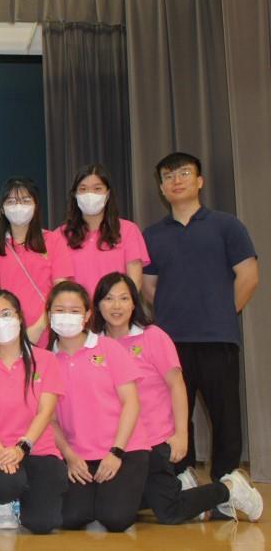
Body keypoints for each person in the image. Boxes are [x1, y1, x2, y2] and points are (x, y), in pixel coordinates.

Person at [93, 273, 263, 523]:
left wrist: (181, 434)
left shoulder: (153, 337)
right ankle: (182, 488)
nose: (116, 306)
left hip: (153, 441)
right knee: (115, 504)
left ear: (134, 303)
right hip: (116, 444)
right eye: (108, 299)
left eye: (124, 298)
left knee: (168, 511)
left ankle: (230, 488)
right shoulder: (94, 345)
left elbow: (177, 386)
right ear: (97, 305)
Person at [141, 152, 259, 482]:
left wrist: (220, 312)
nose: (176, 181)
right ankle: (184, 478)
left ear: (199, 181)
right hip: (171, 343)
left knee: (225, 415)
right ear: (161, 188)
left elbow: (248, 277)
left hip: (217, 338)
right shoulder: (152, 235)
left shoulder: (227, 225)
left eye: (183, 173)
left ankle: (226, 483)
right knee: (175, 415)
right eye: (168, 176)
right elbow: (149, 287)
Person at [47, 281, 149, 532]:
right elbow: (49, 419)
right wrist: (69, 456)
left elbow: (131, 403)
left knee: (115, 519)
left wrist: (116, 453)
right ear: (49, 314)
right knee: (70, 519)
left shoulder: (109, 348)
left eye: (74, 311)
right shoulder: (46, 360)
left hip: (123, 449)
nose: (66, 316)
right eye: (59, 310)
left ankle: (144, 492)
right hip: (78, 456)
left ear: (87, 315)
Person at [0, 289, 67, 533]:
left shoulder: (46, 360)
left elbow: (45, 412)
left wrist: (22, 447)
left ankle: (24, 499)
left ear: (19, 316)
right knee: (7, 484)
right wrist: (1, 452)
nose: (0, 321)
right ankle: (4, 503)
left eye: (6, 313)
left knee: (42, 524)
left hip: (39, 449)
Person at [0, 178, 73, 345]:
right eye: (11, 201)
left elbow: (61, 291)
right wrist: (14, 333)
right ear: (2, 208)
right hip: (8, 336)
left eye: (25, 200)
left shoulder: (54, 241)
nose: (18, 206)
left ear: (35, 205)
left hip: (50, 331)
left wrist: (39, 327)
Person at [59, 164, 149, 296]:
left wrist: (118, 304)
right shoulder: (60, 235)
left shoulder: (128, 230)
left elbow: (134, 282)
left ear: (108, 193)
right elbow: (58, 283)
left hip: (115, 307)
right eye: (83, 189)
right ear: (75, 194)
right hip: (77, 307)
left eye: (97, 188)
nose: (90, 194)